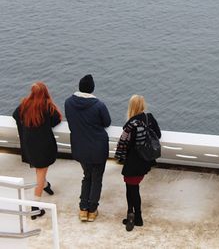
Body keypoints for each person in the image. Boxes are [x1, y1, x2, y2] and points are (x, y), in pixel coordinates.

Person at [64, 74, 111, 222]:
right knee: (97, 179)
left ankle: (83, 209)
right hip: (98, 147)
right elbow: (107, 122)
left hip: (80, 146)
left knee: (87, 176)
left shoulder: (68, 103)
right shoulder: (99, 105)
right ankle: (92, 210)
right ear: (92, 89)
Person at [13, 82, 62, 219]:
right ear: (45, 92)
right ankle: (35, 206)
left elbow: (15, 115)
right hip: (44, 146)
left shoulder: (25, 104)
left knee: (39, 170)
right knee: (40, 173)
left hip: (29, 144)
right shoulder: (47, 107)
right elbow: (56, 120)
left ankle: (46, 185)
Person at [115, 95, 161, 232]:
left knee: (132, 189)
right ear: (143, 106)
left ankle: (135, 217)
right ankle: (135, 216)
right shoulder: (149, 118)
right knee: (133, 188)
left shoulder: (130, 125)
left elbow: (125, 145)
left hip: (133, 162)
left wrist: (121, 158)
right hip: (146, 160)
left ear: (131, 107)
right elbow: (157, 135)